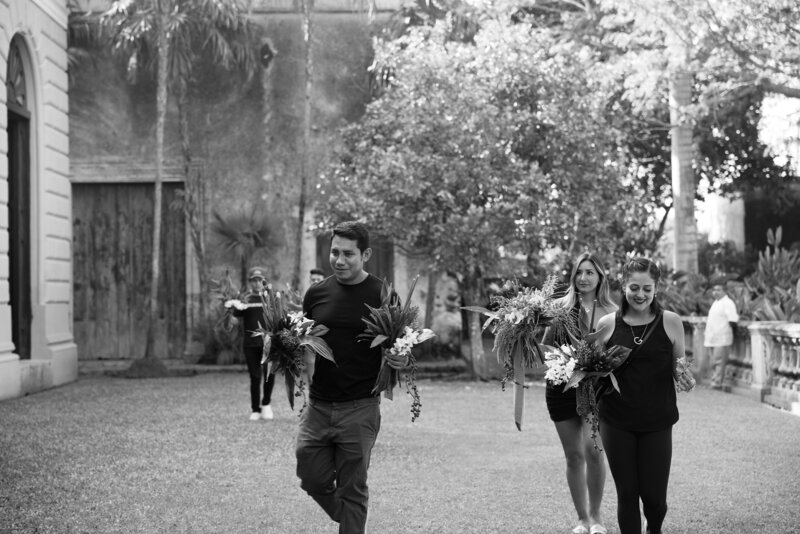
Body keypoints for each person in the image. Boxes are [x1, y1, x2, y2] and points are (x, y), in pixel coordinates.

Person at [297, 220, 408, 534]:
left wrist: (400, 358)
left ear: (365, 255)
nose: (339, 260)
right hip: (318, 405)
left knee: (353, 487)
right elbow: (304, 340)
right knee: (310, 476)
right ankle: (348, 516)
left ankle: (351, 520)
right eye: (335, 252)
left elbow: (400, 345)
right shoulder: (316, 293)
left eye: (348, 254)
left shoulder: (383, 294)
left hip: (360, 407)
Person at [594, 258, 695, 534]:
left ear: (656, 289)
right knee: (627, 493)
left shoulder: (671, 322)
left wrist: (685, 377)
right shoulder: (606, 324)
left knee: (655, 498)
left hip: (657, 420)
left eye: (647, 289)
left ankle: (654, 528)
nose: (640, 294)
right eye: (634, 288)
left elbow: (679, 366)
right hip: (616, 420)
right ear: (623, 286)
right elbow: (594, 370)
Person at [542, 252, 618, 534]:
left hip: (595, 390)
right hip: (560, 389)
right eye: (579, 272)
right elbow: (545, 349)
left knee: (593, 451)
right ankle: (583, 519)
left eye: (590, 272)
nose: (583, 278)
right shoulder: (560, 309)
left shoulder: (613, 311)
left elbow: (617, 353)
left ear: (600, 277)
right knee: (574, 456)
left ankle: (596, 517)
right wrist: (561, 364)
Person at [231, 267, 276, 421]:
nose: (257, 283)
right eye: (254, 280)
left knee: (269, 374)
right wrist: (230, 308)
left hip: (268, 343)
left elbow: (278, 317)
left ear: (263, 281)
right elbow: (235, 319)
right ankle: (255, 409)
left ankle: (266, 404)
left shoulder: (270, 298)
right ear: (250, 282)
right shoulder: (245, 299)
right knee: (255, 376)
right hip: (250, 344)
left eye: (260, 280)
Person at [704, 281, 739, 390]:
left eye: (718, 290)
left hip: (722, 338)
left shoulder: (728, 303)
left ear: (725, 291)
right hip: (711, 338)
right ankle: (714, 380)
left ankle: (717, 383)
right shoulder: (715, 303)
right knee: (713, 361)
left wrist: (733, 335)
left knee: (719, 361)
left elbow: (733, 320)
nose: (715, 292)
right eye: (714, 290)